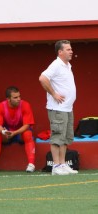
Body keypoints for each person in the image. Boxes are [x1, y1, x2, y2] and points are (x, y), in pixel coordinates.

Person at [39, 40, 78, 175]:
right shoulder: (56, 65)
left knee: (65, 137)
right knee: (57, 137)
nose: (71, 51)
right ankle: (56, 166)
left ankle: (62, 164)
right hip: (58, 109)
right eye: (68, 49)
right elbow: (43, 78)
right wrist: (54, 93)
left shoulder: (67, 66)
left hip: (67, 108)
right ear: (60, 52)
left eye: (71, 49)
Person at [0, 86, 36, 173]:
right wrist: (4, 131)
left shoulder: (25, 105)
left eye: (19, 96)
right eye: (15, 97)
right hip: (7, 134)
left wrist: (15, 133)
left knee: (28, 134)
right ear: (8, 99)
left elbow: (26, 125)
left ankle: (31, 164)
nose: (19, 99)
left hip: (20, 133)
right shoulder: (0, 106)